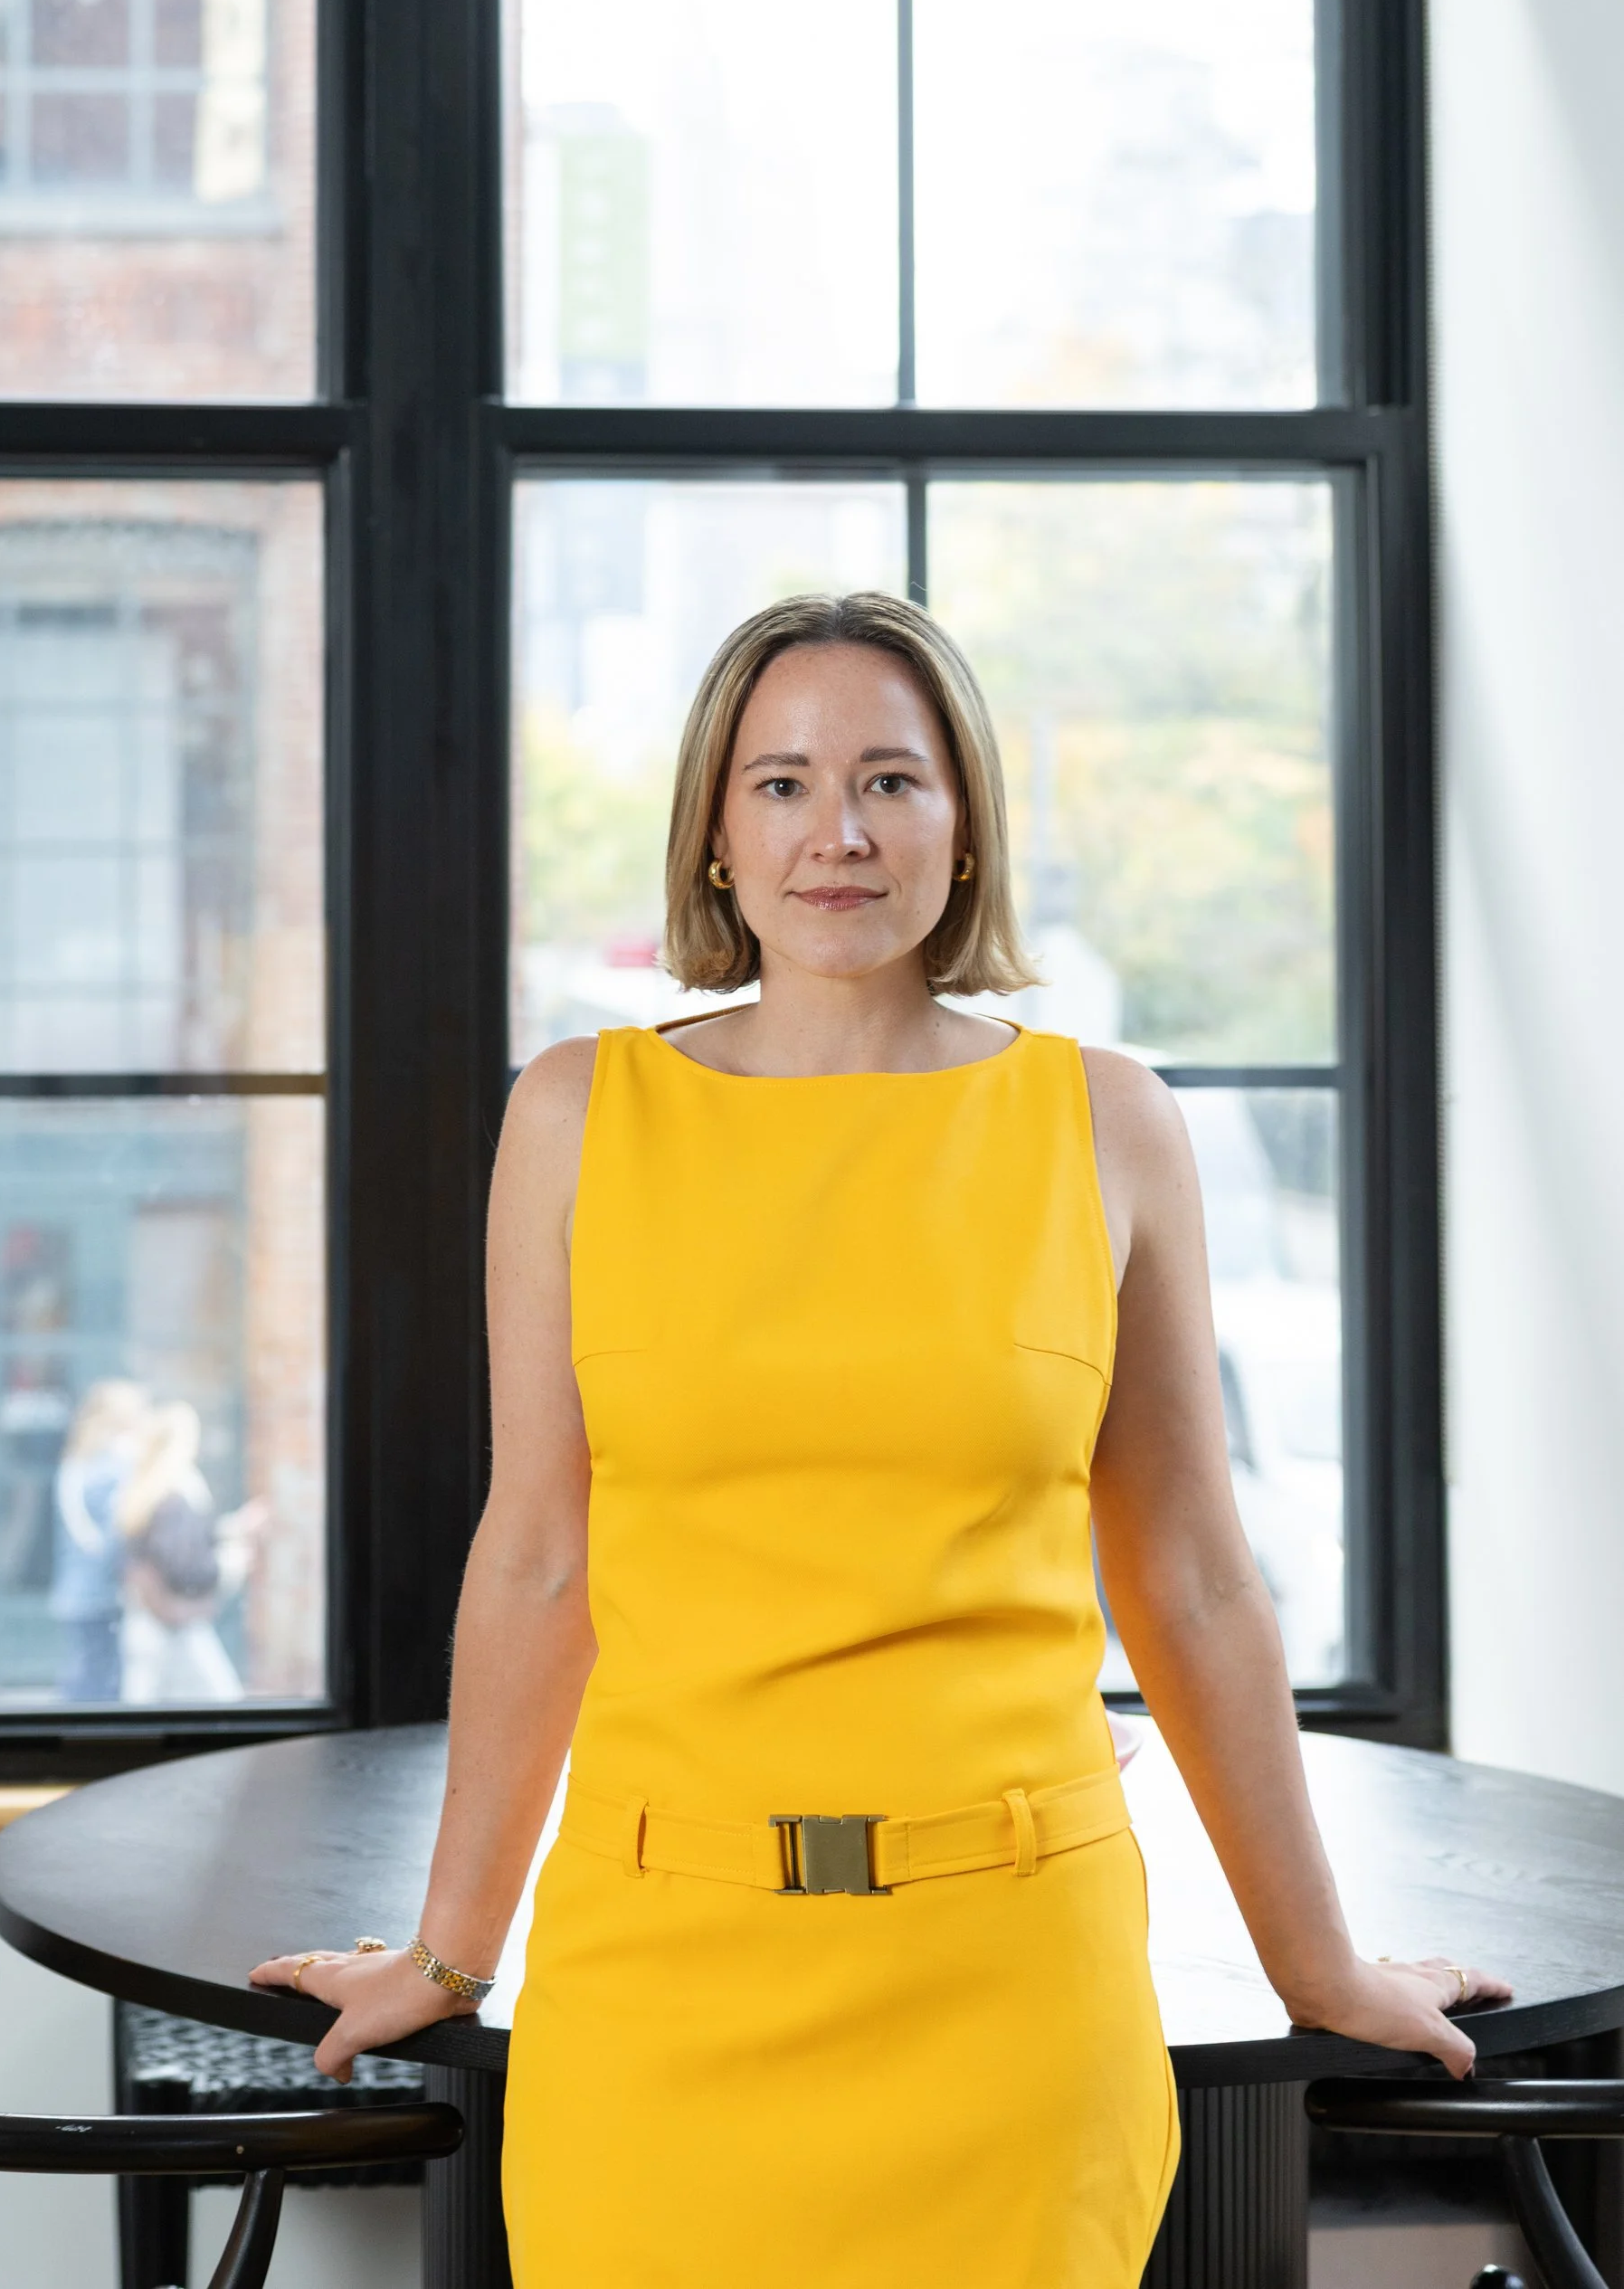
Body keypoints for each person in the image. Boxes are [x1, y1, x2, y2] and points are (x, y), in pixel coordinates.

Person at [253, 589, 1509, 2286]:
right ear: (712, 830)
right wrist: (454, 1950)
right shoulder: (575, 1113)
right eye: (779, 783)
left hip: (1015, 1989)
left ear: (966, 820)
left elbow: (1195, 1576)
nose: (835, 831)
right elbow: (543, 1556)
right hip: (662, 1987)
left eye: (891, 780)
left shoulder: (1105, 1121)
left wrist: (1320, 1959)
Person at [118, 1398, 268, 1706]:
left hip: (148, 1620)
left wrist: (229, 1531)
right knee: (221, 1703)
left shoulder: (146, 1490)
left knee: (143, 1709)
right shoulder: (177, 1493)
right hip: (174, 1622)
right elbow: (186, 1566)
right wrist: (232, 1562)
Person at [49, 1376, 147, 1705]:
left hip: (78, 1591)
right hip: (101, 1594)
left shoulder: (78, 1463)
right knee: (100, 1686)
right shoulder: (111, 1467)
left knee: (85, 1674)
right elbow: (114, 1537)